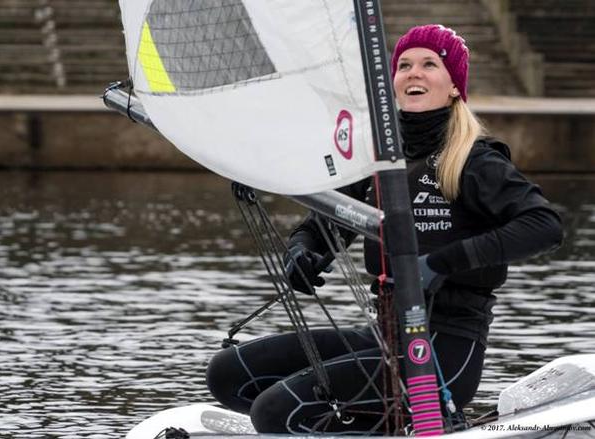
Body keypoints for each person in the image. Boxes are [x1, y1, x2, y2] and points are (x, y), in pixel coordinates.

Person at [205, 24, 563, 434]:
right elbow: (321, 227)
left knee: (272, 412)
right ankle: (366, 425)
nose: (414, 73)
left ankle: (408, 420)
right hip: (383, 334)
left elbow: (545, 226)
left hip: (443, 349)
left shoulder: (475, 161)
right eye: (405, 65)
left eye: (430, 64)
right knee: (229, 374)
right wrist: (302, 253)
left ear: (453, 86)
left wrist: (441, 263)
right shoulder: (376, 161)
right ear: (391, 81)